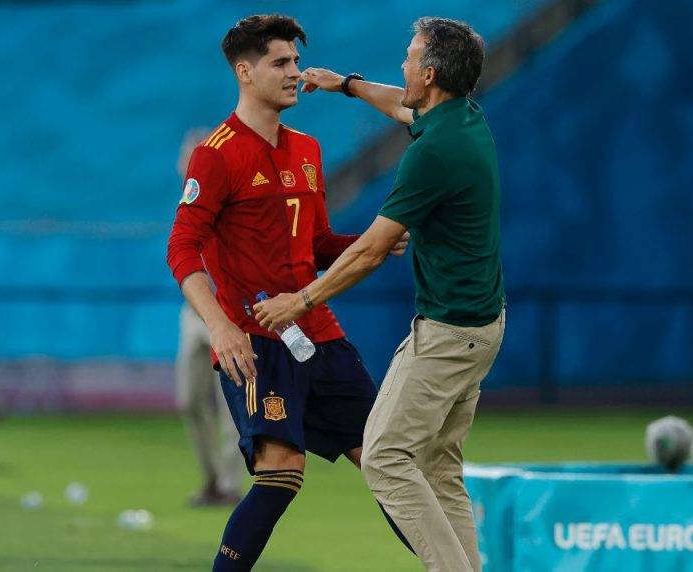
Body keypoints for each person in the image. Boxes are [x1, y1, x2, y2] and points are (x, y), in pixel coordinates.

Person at [254, 17, 505, 571]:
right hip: (481, 327)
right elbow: (400, 104)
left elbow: (371, 250)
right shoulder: (461, 118)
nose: (403, 64)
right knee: (438, 469)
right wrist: (346, 83)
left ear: (431, 72)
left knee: (386, 459)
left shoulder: (433, 152)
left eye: (411, 57)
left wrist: (300, 301)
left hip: (449, 332)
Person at [165, 14, 411, 570]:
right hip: (259, 343)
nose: (295, 73)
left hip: (320, 334)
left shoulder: (307, 149)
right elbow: (182, 248)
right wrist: (222, 326)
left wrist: (373, 240)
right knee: (280, 476)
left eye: (297, 62)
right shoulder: (217, 153)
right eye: (281, 63)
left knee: (389, 465)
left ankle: (457, 563)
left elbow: (318, 242)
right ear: (245, 73)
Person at [174, 128, 245, 507]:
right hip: (193, 312)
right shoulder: (188, 201)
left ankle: (228, 485)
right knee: (188, 399)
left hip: (225, 312)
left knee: (229, 402)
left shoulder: (228, 196)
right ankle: (212, 478)